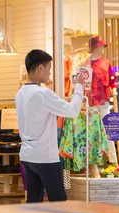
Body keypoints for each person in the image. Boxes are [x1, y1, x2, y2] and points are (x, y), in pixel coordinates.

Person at [16, 49, 84, 203]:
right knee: (58, 200)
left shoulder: (21, 93)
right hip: (45, 156)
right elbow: (73, 111)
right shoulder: (42, 94)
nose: (50, 73)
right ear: (40, 68)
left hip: (27, 155)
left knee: (34, 201)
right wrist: (78, 87)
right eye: (49, 69)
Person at [85, 36, 118, 175]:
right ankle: (94, 168)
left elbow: (112, 77)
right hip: (91, 103)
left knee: (107, 132)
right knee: (92, 134)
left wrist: (114, 88)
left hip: (103, 101)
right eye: (101, 46)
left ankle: (114, 162)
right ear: (95, 47)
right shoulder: (85, 64)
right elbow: (81, 82)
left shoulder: (106, 63)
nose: (103, 49)